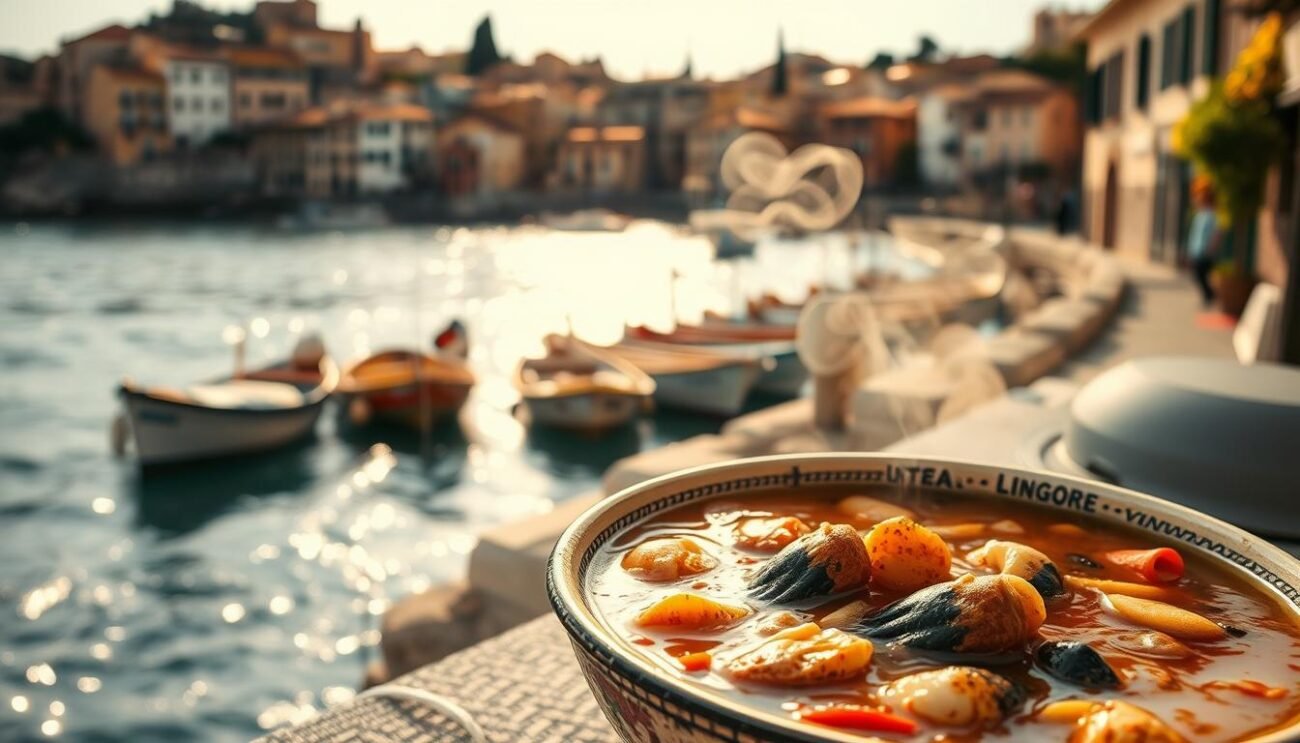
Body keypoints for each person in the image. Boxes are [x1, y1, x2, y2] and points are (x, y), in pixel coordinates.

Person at [1187, 177, 1220, 308]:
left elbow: (1215, 233)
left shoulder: (1211, 214)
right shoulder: (1200, 214)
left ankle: (1210, 297)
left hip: (1204, 252)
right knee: (1197, 275)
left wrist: (1211, 248)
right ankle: (1208, 297)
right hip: (1196, 250)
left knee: (1201, 275)